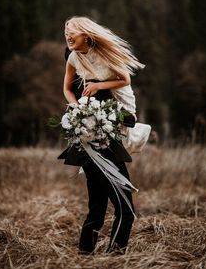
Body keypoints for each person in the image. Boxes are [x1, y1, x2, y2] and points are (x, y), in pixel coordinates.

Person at [58, 16, 145, 255]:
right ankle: (113, 256)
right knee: (121, 209)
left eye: (72, 32)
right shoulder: (74, 57)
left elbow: (124, 79)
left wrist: (97, 86)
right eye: (65, 32)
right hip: (99, 136)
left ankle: (86, 254)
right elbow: (67, 88)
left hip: (115, 114)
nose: (67, 36)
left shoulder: (105, 54)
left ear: (86, 35)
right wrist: (76, 108)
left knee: (97, 205)